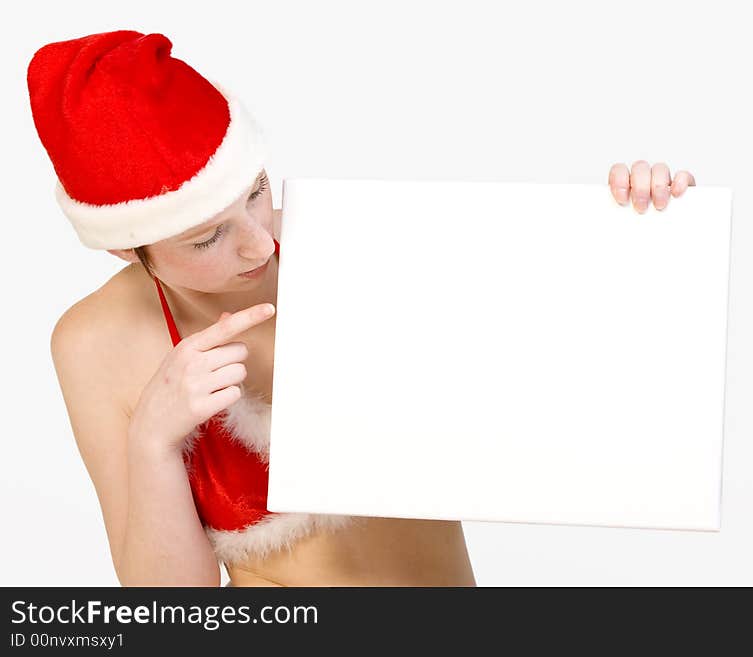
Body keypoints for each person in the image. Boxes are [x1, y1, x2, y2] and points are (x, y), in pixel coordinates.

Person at [28, 30, 694, 587]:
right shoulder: (94, 343)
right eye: (206, 235)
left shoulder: (358, 242)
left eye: (255, 191)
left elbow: (564, 343)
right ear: (124, 246)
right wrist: (153, 441)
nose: (261, 241)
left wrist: (635, 222)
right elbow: (172, 614)